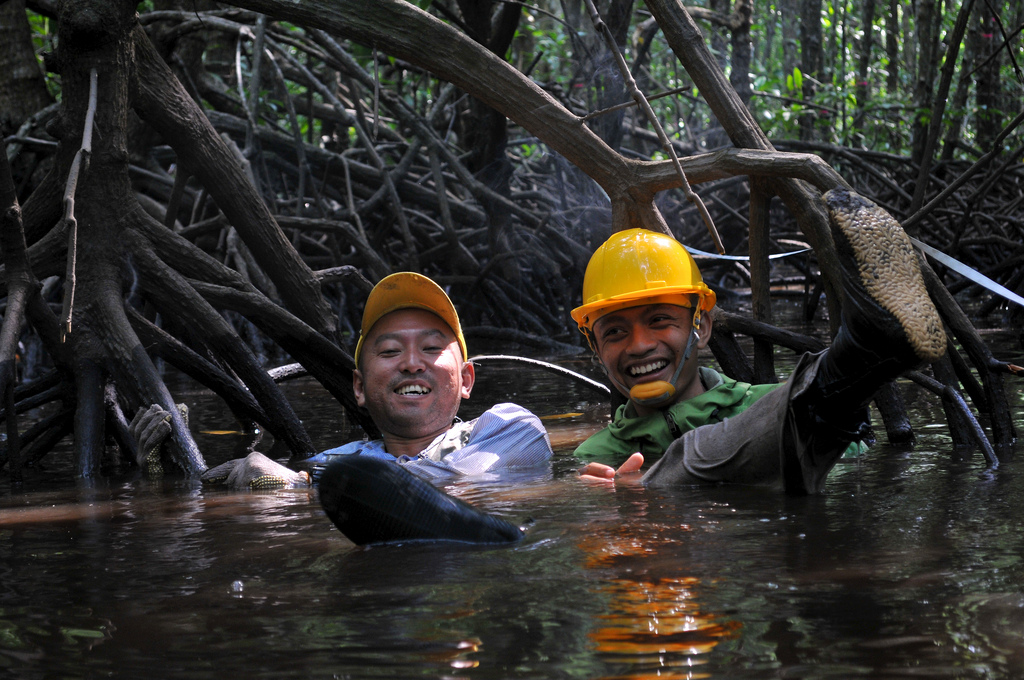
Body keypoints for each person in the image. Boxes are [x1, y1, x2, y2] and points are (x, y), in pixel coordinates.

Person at [131, 272, 552, 544]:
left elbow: (465, 479)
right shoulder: (338, 461)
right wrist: (158, 475)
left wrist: (299, 488)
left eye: (430, 347)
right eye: (389, 351)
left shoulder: (509, 426)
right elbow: (196, 523)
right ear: (359, 387)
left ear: (466, 380)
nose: (410, 362)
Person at [572, 188, 946, 493]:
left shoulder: (768, 402)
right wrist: (607, 498)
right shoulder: (595, 455)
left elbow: (854, 471)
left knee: (779, 416)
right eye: (616, 332)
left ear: (700, 328)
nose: (639, 345)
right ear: (596, 349)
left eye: (659, 321)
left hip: (785, 516)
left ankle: (859, 354)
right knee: (669, 473)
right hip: (726, 555)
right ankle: (859, 355)